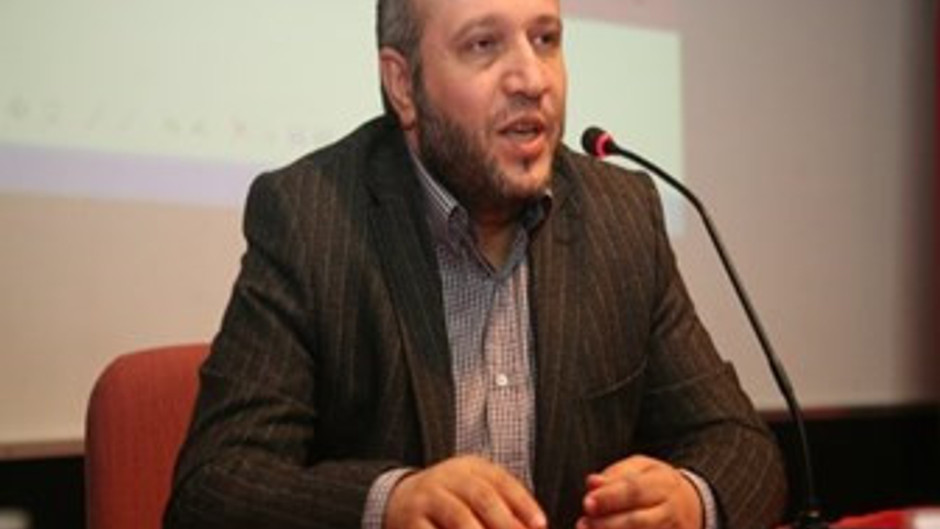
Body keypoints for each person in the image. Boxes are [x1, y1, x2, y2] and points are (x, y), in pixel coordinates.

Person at [164, 0, 787, 528]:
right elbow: (213, 488)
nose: (532, 79)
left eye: (545, 40)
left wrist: (691, 500)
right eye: (484, 45)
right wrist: (389, 504)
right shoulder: (310, 218)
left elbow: (741, 447)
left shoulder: (621, 216)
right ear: (403, 86)